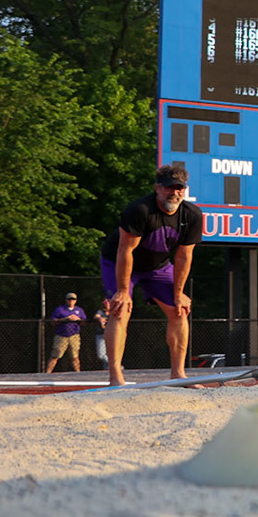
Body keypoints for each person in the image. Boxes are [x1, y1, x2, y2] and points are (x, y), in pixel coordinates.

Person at [99, 162, 203, 386]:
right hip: (120, 262)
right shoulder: (140, 210)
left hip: (158, 266)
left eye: (179, 188)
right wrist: (123, 291)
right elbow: (125, 251)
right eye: (169, 187)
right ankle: (115, 377)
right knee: (120, 310)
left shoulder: (192, 215)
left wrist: (179, 293)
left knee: (179, 311)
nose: (174, 193)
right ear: (157, 188)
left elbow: (184, 257)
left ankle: (178, 375)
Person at [45, 291, 86, 373]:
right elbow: (53, 321)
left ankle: (78, 374)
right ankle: (47, 373)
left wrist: (77, 319)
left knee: (75, 356)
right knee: (55, 355)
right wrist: (65, 319)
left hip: (74, 335)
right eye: (69, 299)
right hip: (61, 336)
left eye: (73, 299)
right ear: (66, 300)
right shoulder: (60, 309)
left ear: (76, 300)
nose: (71, 301)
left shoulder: (79, 310)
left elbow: (84, 322)